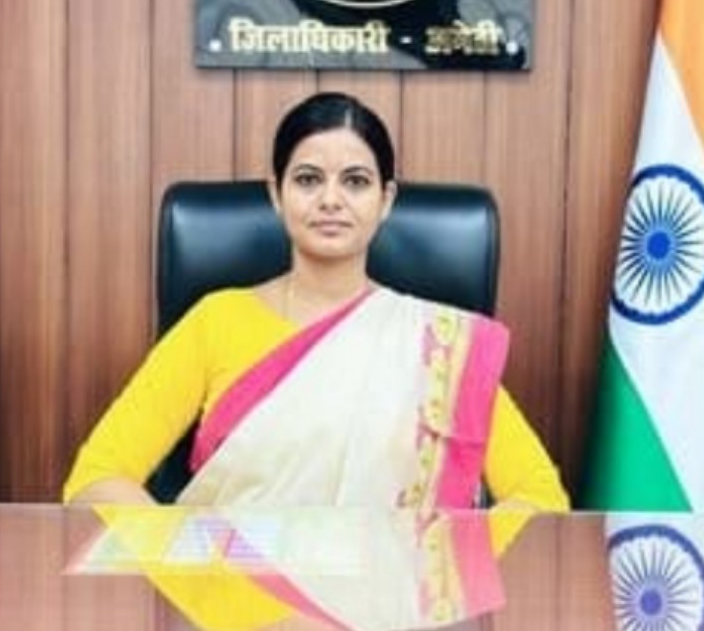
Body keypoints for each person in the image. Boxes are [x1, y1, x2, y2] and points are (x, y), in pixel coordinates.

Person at [64, 92, 569, 515]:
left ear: (386, 199)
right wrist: (192, 559)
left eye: (356, 181)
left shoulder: (438, 346)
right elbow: (96, 479)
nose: (331, 200)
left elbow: (540, 498)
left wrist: (443, 564)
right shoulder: (217, 321)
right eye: (308, 179)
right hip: (234, 590)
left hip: (391, 594)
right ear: (276, 194)